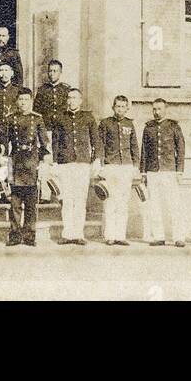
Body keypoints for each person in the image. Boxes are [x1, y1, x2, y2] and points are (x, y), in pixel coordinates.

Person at [52, 87, 101, 245]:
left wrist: (95, 159)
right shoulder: (60, 118)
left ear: (80, 100)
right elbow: (55, 142)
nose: (72, 100)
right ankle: (67, 234)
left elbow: (96, 141)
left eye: (75, 98)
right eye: (69, 97)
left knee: (80, 199)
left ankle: (78, 234)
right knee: (67, 199)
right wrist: (55, 162)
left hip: (82, 163)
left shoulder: (88, 117)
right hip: (65, 163)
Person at [5, 88, 49, 247]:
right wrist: (4, 161)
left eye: (26, 100)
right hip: (16, 162)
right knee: (15, 204)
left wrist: (42, 161)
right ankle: (15, 235)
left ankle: (30, 235)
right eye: (20, 100)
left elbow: (44, 144)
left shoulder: (37, 119)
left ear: (30, 101)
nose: (23, 103)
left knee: (31, 204)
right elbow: (4, 142)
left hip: (31, 162)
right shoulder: (10, 119)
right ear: (17, 101)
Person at [140, 97, 187, 247]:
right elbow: (144, 151)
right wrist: (143, 172)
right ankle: (159, 236)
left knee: (174, 204)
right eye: (154, 109)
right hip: (153, 171)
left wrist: (179, 171)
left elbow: (180, 149)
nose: (156, 112)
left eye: (159, 109)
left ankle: (179, 237)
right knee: (154, 205)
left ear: (166, 109)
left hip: (169, 171)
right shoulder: (148, 127)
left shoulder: (174, 126)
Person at [97, 95, 140, 246]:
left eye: (123, 106)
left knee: (123, 202)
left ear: (127, 108)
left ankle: (120, 235)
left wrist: (135, 166)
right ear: (113, 108)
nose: (120, 109)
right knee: (110, 201)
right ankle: (110, 235)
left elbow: (134, 146)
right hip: (111, 166)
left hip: (126, 167)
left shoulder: (130, 124)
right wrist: (101, 166)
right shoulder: (105, 123)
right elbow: (100, 145)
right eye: (118, 106)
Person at [34, 59, 71, 196]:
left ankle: (61, 192)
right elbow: (37, 112)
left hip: (62, 132)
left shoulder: (66, 90)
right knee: (46, 159)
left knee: (61, 160)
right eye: (50, 71)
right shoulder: (42, 90)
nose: (52, 73)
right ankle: (45, 194)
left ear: (60, 73)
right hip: (47, 130)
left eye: (55, 71)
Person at [0, 62, 21, 144]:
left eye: (6, 70)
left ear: (12, 73)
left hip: (14, 128)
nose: (4, 73)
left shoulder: (18, 91)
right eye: (1, 70)